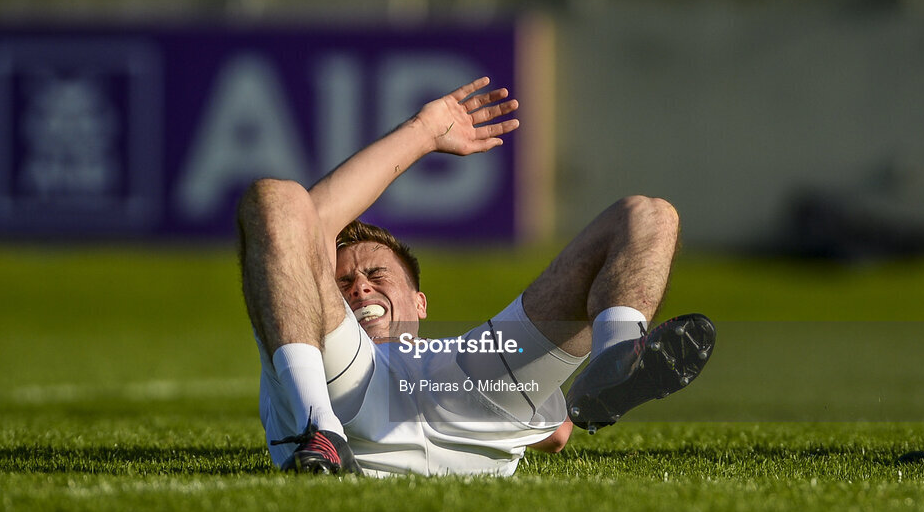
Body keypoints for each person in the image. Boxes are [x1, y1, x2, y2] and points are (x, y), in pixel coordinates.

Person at [237, 76, 715, 477]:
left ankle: (619, 352)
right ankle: (320, 432)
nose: (360, 286)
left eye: (377, 273)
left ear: (419, 303)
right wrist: (424, 131)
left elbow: (560, 432)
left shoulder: (451, 360)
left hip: (462, 388)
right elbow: (304, 219)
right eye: (342, 282)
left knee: (649, 214)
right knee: (275, 197)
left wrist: (556, 395)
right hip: (344, 389)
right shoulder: (310, 338)